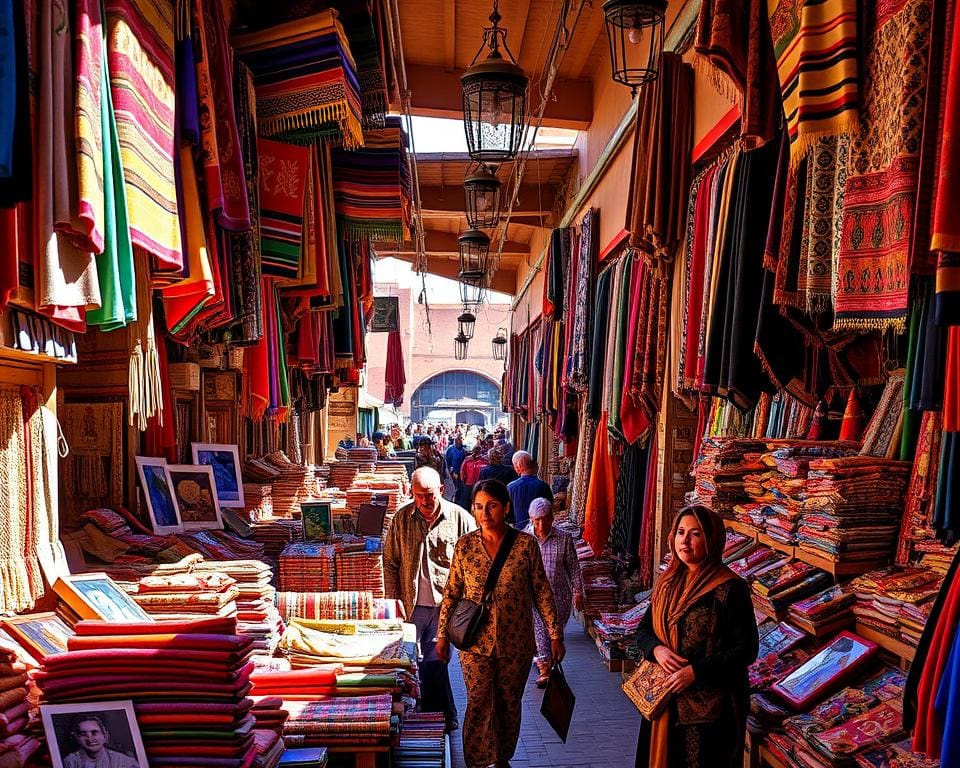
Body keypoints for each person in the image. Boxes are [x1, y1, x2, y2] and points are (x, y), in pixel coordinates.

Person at [437, 480, 564, 768]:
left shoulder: (525, 545)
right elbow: (452, 593)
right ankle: (479, 761)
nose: (485, 513)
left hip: (516, 643)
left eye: (491, 506)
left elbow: (542, 591)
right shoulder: (465, 546)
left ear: (505, 507)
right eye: (479, 507)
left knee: (508, 703)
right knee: (479, 701)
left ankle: (501, 756)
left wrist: (556, 634)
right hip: (474, 643)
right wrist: (442, 636)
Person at [633, 504, 759, 768]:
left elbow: (746, 649)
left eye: (695, 534)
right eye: (680, 532)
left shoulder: (730, 589)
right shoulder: (668, 583)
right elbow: (643, 630)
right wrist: (657, 649)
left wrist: (696, 672)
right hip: (663, 701)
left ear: (711, 539)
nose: (685, 541)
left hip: (710, 711)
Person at [383, 467, 476, 731]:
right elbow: (390, 563)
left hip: (446, 605)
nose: (424, 501)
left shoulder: (460, 519)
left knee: (436, 659)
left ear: (442, 491)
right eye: (418, 495)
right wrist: (392, 600)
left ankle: (439, 717)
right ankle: (439, 715)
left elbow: (474, 564)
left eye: (430, 495)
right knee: (414, 660)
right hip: (411, 603)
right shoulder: (401, 519)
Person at [526, 497, 583, 687]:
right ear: (531, 519)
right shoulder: (524, 540)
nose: (541, 524)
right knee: (540, 631)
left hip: (560, 598)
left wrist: (578, 592)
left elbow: (574, 567)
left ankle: (547, 661)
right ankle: (544, 668)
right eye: (537, 519)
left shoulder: (564, 538)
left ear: (552, 518)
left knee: (554, 633)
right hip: (533, 599)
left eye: (545, 518)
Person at [64, 715, 140, 768]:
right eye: (83, 734)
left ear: (105, 735)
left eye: (94, 733)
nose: (90, 739)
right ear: (77, 738)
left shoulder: (126, 762)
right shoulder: (70, 761)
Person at [507, 451, 553, 530]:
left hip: (519, 531)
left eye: (514, 465)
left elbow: (508, 515)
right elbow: (549, 510)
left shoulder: (510, 487)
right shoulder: (543, 486)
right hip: (539, 530)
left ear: (519, 466)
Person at [456, 444, 488, 510]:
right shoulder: (467, 460)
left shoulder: (484, 461)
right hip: (468, 484)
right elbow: (462, 470)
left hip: (480, 485)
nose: (477, 452)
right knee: (467, 501)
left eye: (479, 451)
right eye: (476, 450)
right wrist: (463, 480)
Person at [444, 435, 467, 502]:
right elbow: (447, 462)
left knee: (461, 488)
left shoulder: (464, 449)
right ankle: (454, 501)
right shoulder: (450, 449)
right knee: (455, 488)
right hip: (454, 472)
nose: (459, 442)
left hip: (463, 472)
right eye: (458, 441)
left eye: (461, 440)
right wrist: (452, 472)